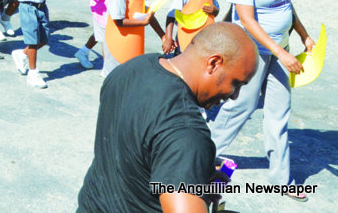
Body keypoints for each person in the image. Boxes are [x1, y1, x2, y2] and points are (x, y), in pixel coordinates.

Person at [77, 22, 258, 212]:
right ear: (214, 63)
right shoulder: (187, 132)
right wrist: (189, 162)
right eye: (236, 83)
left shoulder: (132, 68)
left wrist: (192, 169)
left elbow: (135, 145)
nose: (234, 95)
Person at [210, 0, 317, 201]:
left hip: (279, 51)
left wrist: (303, 34)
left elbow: (285, 1)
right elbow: (246, 18)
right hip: (251, 51)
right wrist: (281, 52)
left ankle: (282, 180)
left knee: (279, 114)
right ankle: (203, 154)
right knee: (240, 107)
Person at [103, 0, 165, 77]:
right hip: (117, 42)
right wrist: (142, 22)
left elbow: (147, 13)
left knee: (130, 74)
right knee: (115, 76)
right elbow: (119, 21)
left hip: (132, 42)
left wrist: (163, 36)